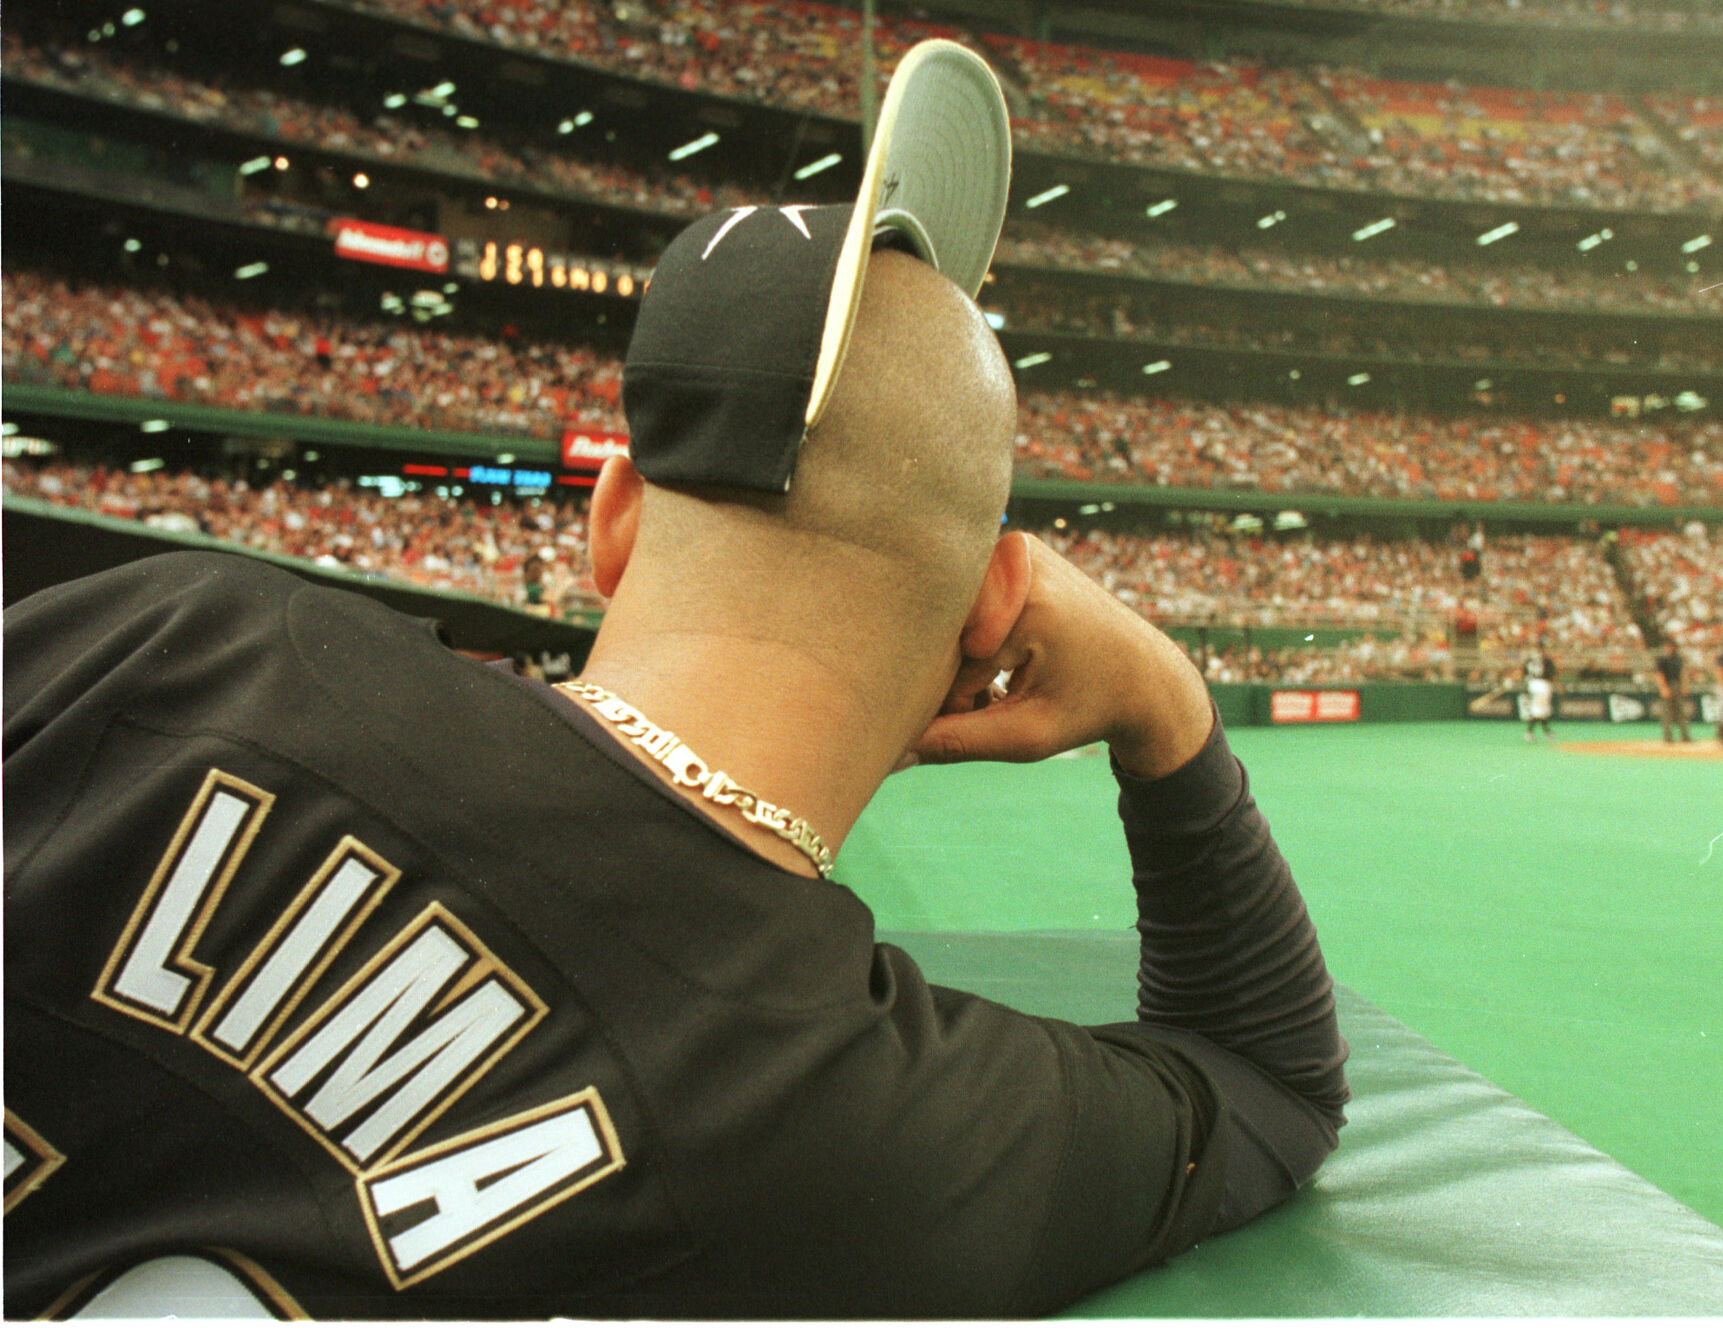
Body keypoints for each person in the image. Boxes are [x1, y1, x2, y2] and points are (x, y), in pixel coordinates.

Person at [2, 42, 1347, 1319]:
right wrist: (1166, 703)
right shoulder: (876, 1130)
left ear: (615, 520)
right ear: (994, 606)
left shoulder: (173, 643)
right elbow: (1270, 1080)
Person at [1520, 641, 1557, 741]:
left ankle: (1547, 732)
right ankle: (1529, 732)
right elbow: (1552, 674)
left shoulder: (1529, 660)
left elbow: (1523, 673)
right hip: (1543, 685)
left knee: (1543, 710)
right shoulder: (1546, 660)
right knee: (1539, 711)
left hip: (1532, 685)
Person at [1654, 643, 1691, 743]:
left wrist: (1685, 685)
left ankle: (1685, 737)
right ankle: (1668, 737)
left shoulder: (1678, 659)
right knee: (1667, 713)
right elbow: (1659, 674)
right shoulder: (1662, 660)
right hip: (1668, 684)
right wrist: (1663, 688)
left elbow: (1683, 672)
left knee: (1681, 712)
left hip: (1677, 685)